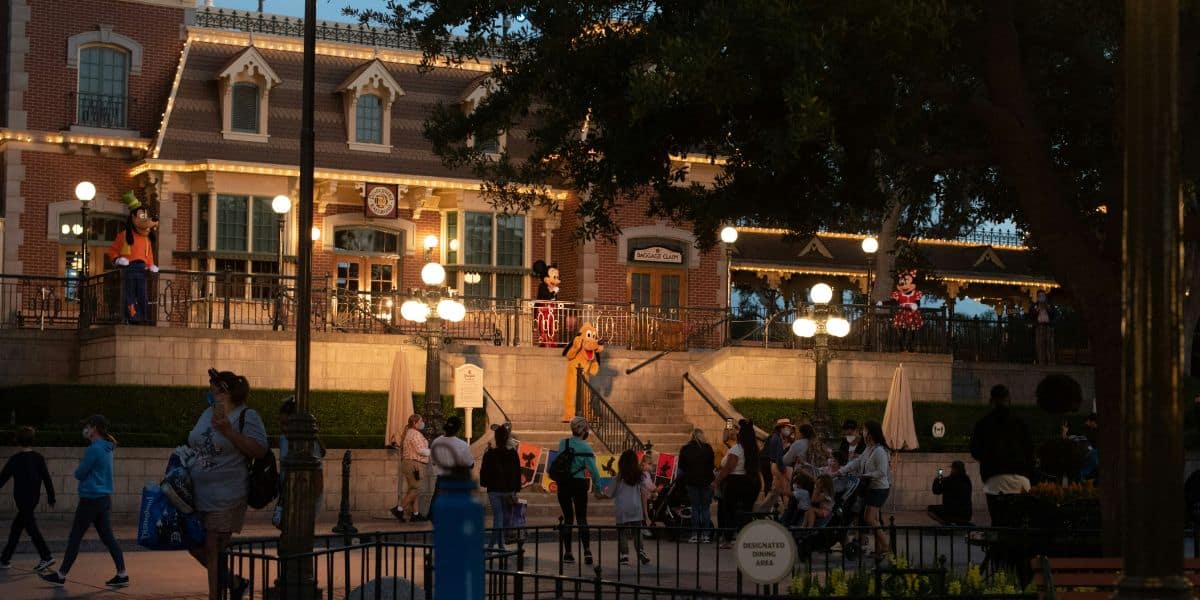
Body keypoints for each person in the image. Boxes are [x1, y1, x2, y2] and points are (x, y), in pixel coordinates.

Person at [183, 371, 268, 600]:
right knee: (193, 542)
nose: (209, 392)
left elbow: (260, 449)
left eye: (213, 388)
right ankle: (234, 582)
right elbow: (196, 441)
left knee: (214, 547)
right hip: (199, 493)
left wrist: (228, 432)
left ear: (224, 390)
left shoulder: (246, 416)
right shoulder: (207, 413)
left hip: (227, 494)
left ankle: (215, 595)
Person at [40, 415, 127, 588]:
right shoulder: (108, 448)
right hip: (103, 499)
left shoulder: (94, 449)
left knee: (75, 537)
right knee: (108, 538)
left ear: (94, 428)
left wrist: (80, 470)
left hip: (90, 499)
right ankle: (122, 574)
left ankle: (61, 575)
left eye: (87, 426)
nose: (85, 429)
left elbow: (80, 473)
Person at [969, 384, 1034, 524]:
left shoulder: (983, 423)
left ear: (991, 400)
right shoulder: (1021, 422)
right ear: (1008, 399)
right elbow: (1030, 450)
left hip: (994, 479)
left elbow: (975, 451)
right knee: (1020, 524)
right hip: (1021, 479)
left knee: (999, 523)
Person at [0, 426, 56, 572]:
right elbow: (47, 479)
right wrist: (51, 497)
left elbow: (2, 479)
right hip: (33, 498)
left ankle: (46, 556)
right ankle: (5, 558)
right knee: (17, 527)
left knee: (31, 528)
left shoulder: (15, 460)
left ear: (18, 441)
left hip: (21, 499)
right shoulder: (38, 458)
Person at [837, 421, 891, 558]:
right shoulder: (869, 448)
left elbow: (882, 472)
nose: (863, 433)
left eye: (865, 430)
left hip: (879, 488)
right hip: (870, 487)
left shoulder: (879, 451)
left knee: (869, 518)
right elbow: (858, 461)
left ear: (871, 433)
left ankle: (886, 546)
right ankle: (879, 552)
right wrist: (843, 470)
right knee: (875, 520)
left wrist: (864, 475)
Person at [274, 397, 326, 528]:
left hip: (304, 501)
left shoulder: (310, 443)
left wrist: (307, 506)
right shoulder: (284, 439)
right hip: (288, 496)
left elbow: (318, 481)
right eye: (280, 423)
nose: (282, 427)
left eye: (286, 424)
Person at [558, 416, 601, 565]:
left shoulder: (563, 443)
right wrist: (598, 487)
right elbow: (594, 471)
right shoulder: (586, 447)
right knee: (582, 518)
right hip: (579, 483)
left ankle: (568, 553)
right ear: (584, 431)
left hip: (563, 484)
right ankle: (587, 551)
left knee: (568, 518)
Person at [712, 419, 760, 549]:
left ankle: (728, 539)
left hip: (735, 483)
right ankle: (746, 537)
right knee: (747, 511)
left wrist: (716, 482)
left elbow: (728, 468)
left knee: (730, 512)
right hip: (752, 482)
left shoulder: (737, 449)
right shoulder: (755, 449)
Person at [602, 449, 654, 566]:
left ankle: (624, 555)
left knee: (622, 532)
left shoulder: (619, 478)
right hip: (636, 508)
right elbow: (645, 491)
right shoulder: (639, 476)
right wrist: (646, 514)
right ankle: (641, 551)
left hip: (622, 509)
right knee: (637, 532)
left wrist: (601, 493)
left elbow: (610, 493)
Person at [480, 424, 521, 551]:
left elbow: (484, 471)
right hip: (508, 489)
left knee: (498, 517)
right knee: (502, 518)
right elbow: (517, 472)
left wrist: (484, 483)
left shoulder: (490, 453)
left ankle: (495, 545)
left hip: (494, 489)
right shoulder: (513, 453)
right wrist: (516, 489)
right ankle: (499, 545)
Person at [428, 416, 475, 520]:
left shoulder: (436, 442)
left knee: (437, 512)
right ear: (458, 429)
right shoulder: (462, 445)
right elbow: (470, 464)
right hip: (456, 481)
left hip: (441, 479)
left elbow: (433, 461)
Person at [677, 428, 716, 543]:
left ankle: (694, 534)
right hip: (706, 481)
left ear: (692, 436)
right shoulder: (708, 448)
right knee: (705, 508)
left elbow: (681, 466)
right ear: (701, 436)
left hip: (691, 481)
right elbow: (712, 465)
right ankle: (706, 535)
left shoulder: (685, 449)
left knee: (695, 507)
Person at [391, 413, 431, 522]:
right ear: (414, 423)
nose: (422, 423)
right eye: (420, 421)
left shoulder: (409, 432)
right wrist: (432, 451)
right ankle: (399, 509)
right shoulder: (415, 434)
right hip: (415, 465)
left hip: (408, 464)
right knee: (416, 488)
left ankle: (415, 514)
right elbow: (421, 451)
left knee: (413, 489)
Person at [927, 460, 973, 526]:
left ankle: (946, 524)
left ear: (955, 469)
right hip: (966, 512)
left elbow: (936, 491)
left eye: (952, 469)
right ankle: (961, 522)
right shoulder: (966, 479)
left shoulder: (949, 480)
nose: (951, 470)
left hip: (952, 511)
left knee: (929, 509)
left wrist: (937, 480)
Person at [761, 419, 791, 497]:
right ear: (781, 428)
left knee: (774, 487)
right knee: (773, 485)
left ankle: (772, 506)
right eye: (787, 427)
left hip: (768, 462)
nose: (789, 430)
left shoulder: (775, 437)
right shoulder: (777, 439)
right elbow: (778, 456)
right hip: (769, 462)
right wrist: (783, 470)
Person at [1028, 291, 1057, 365]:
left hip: (1048, 326)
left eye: (1043, 296)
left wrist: (1047, 308)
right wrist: (1037, 309)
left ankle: (1051, 362)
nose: (1042, 297)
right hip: (1039, 326)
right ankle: (1041, 362)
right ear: (1037, 297)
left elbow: (1054, 314)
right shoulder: (1035, 306)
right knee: (1040, 345)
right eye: (1040, 296)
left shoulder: (1050, 305)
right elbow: (1031, 315)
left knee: (1049, 344)